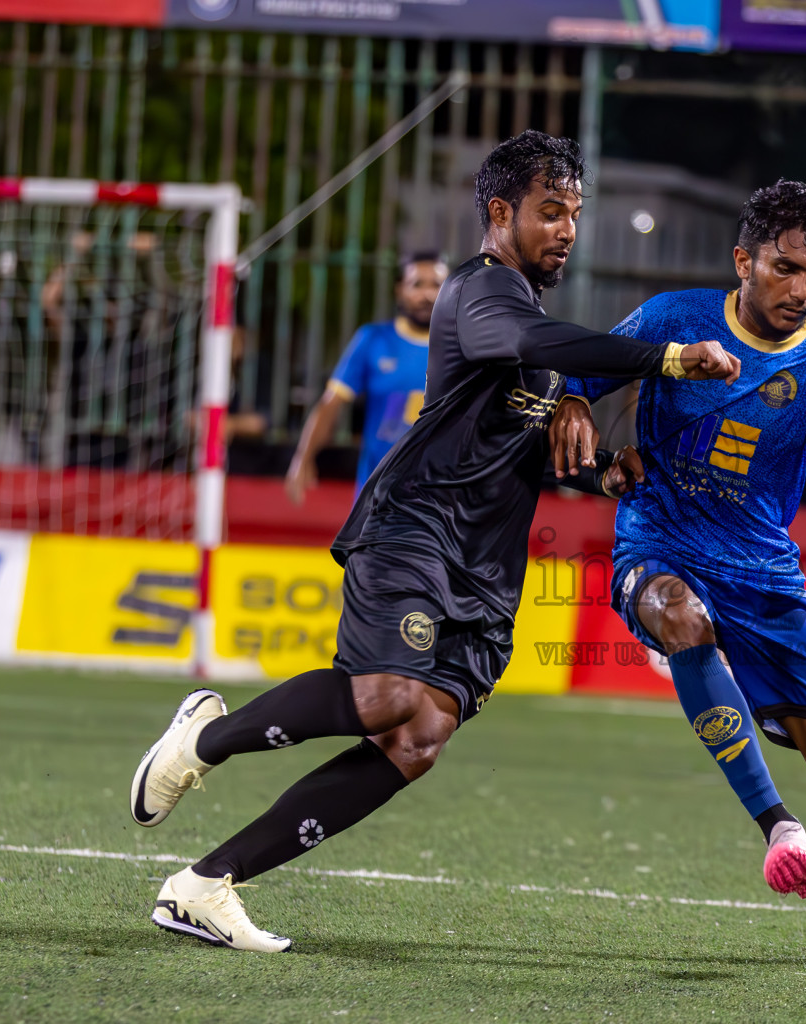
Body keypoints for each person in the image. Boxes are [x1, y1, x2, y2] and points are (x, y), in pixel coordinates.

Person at [128, 130, 740, 952]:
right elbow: (529, 344)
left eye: (575, 215)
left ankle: (206, 885)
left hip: (488, 568)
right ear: (499, 213)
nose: (566, 229)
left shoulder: (533, 325)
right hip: (416, 528)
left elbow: (525, 439)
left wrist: (602, 475)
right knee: (384, 694)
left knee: (417, 739)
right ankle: (202, 738)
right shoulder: (481, 292)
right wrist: (665, 357)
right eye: (549, 211)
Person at [567, 180, 806, 970]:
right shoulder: (673, 319)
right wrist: (575, 413)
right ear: (744, 259)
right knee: (680, 618)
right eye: (785, 268)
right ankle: (777, 825)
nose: (801, 290)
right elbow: (580, 374)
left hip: (765, 576)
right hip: (659, 543)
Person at [286, 251, 450, 503]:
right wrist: (303, 458)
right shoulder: (373, 340)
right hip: (377, 494)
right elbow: (331, 403)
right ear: (399, 290)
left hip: (441, 496)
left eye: (436, 285)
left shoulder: (462, 347)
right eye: (417, 284)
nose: (426, 295)